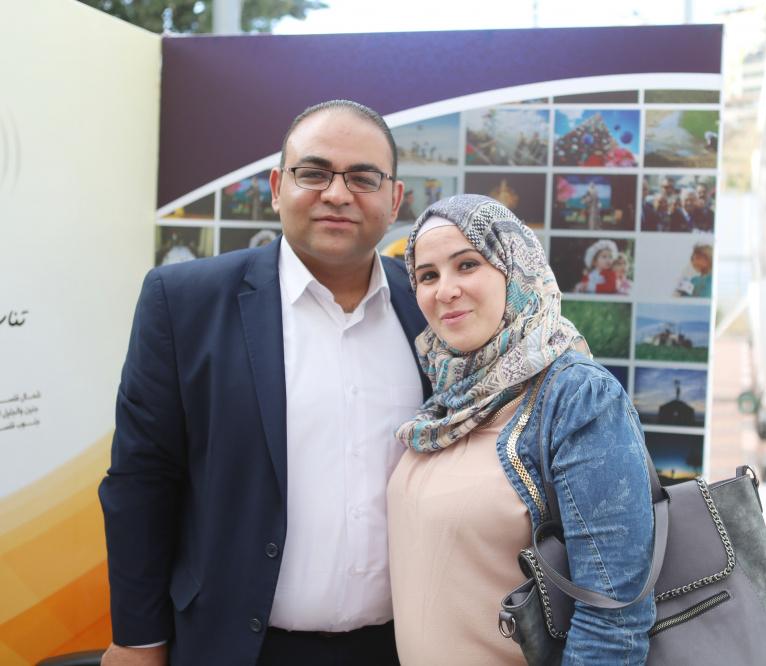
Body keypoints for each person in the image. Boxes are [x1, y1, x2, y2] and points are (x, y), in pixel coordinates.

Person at [98, 100, 430, 666]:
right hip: (236, 647)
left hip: (403, 647)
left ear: (395, 199)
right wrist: (138, 640)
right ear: (278, 188)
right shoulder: (184, 303)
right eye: (314, 172)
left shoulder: (432, 310)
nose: (337, 194)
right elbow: (142, 480)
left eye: (363, 177)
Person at [388, 194, 655, 664]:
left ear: (515, 268)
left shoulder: (577, 396)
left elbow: (613, 618)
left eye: (467, 265)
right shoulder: (447, 399)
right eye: (427, 275)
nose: (445, 290)